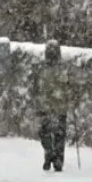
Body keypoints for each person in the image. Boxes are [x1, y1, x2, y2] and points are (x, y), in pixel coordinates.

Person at [36, 39, 70, 172]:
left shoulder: (41, 68)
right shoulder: (63, 68)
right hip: (59, 107)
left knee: (45, 132)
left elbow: (36, 86)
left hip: (45, 106)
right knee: (59, 134)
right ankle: (57, 159)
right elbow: (68, 86)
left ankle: (49, 152)